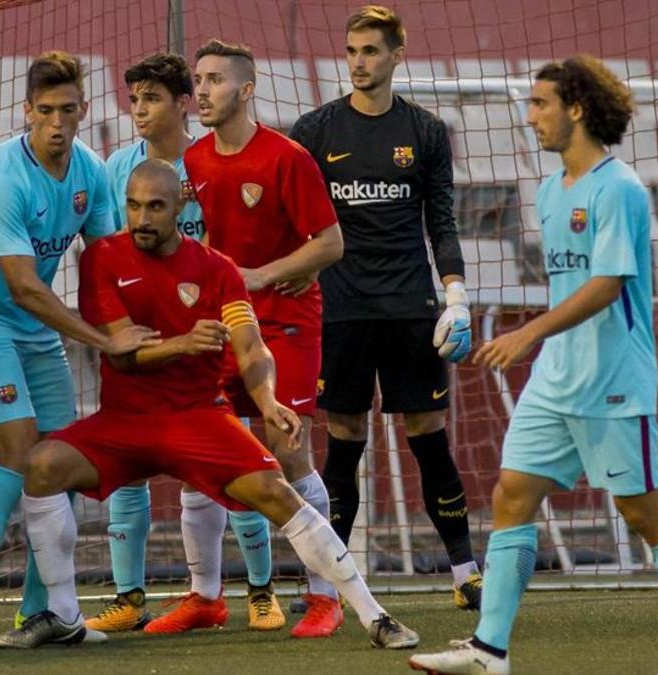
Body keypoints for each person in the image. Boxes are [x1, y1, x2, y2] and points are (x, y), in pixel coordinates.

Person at [0, 158, 418, 651]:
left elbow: (251, 345)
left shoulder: (216, 269)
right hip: (125, 421)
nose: (142, 219)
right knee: (42, 466)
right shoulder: (102, 258)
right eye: (133, 206)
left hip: (198, 416)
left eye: (155, 207)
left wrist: (267, 399)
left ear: (181, 206)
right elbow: (124, 354)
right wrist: (183, 343)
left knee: (277, 492)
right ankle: (64, 615)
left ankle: (373, 615)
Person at [409, 55, 658, 675]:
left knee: (641, 510)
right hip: (556, 379)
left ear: (576, 109)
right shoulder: (553, 190)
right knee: (512, 495)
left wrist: (527, 333)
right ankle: (489, 648)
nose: (530, 119)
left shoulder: (622, 189)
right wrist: (540, 344)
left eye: (540, 104)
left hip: (614, 380)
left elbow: (608, 284)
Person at [0, 50, 159, 651]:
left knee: (59, 464)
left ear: (84, 111)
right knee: (19, 454)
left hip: (38, 333)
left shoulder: (88, 170)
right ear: (27, 111)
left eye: (68, 110)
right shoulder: (1, 175)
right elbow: (25, 286)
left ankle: (46, 612)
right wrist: (105, 339)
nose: (58, 123)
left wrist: (149, 323)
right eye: (46, 111)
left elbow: (111, 260)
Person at [288, 4, 482, 610]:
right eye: (351, 51)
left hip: (408, 307)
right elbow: (289, 215)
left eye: (371, 51)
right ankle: (331, 588)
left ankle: (464, 572)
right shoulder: (315, 129)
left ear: (396, 54)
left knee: (428, 435)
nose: (359, 63)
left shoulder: (424, 132)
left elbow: (441, 222)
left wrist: (455, 293)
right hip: (340, 308)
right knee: (342, 442)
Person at [93, 52, 281, 634]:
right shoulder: (118, 168)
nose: (140, 111)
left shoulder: (208, 162)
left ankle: (259, 590)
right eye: (134, 99)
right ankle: (129, 596)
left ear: (182, 105)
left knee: (237, 461)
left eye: (153, 99)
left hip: (210, 335)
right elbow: (111, 251)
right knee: (127, 466)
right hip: (145, 339)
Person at [167, 38, 344, 639]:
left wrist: (263, 275)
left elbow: (331, 243)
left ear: (246, 90)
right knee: (200, 450)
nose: (203, 90)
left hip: (288, 321)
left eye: (215, 79)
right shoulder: (192, 162)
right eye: (198, 79)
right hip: (223, 325)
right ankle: (204, 597)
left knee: (288, 449)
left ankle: (327, 596)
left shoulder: (287, 157)